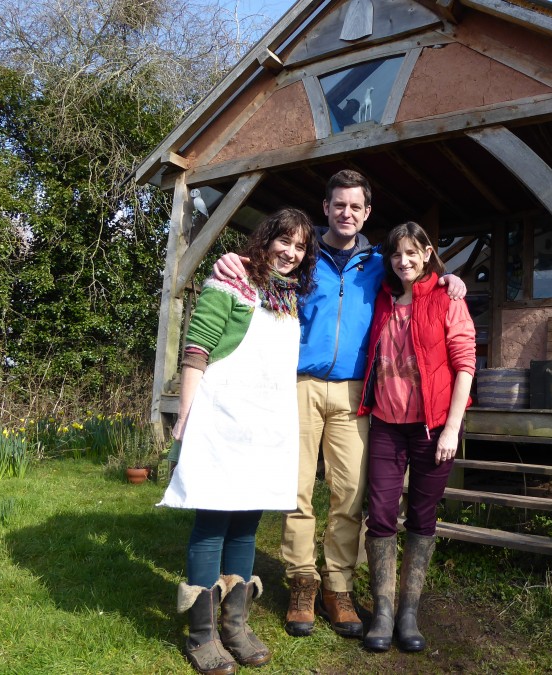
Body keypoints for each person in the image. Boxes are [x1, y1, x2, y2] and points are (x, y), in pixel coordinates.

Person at [213, 170, 466, 639]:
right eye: (339, 205)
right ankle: (303, 583)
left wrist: (452, 280)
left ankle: (339, 586)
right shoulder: (306, 258)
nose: (346, 213)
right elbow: (265, 269)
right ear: (325, 207)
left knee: (350, 494)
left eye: (356, 206)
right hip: (300, 385)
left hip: (355, 393)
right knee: (297, 491)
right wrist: (232, 260)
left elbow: (419, 274)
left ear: (367, 213)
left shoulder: (377, 264)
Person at [158, 207, 317, 675]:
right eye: (283, 240)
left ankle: (235, 626)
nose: (290, 252)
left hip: (264, 426)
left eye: (300, 246)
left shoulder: (289, 297)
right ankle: (202, 635)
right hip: (221, 419)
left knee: (246, 524)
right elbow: (197, 348)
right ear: (266, 239)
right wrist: (185, 415)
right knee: (212, 522)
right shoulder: (230, 280)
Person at [357, 221, 475, 653]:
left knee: (423, 517)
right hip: (387, 425)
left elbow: (465, 364)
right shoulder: (383, 298)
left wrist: (452, 428)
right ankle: (383, 612)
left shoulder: (447, 298)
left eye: (411, 253)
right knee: (382, 514)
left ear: (427, 252)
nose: (403, 261)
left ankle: (409, 613)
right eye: (395, 254)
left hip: (432, 428)